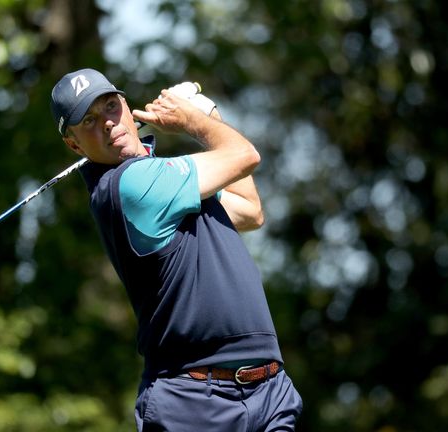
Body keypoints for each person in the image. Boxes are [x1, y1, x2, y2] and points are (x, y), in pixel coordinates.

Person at [50, 68, 302, 431]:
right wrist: (194, 121)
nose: (106, 122)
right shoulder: (130, 185)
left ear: (127, 107)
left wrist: (209, 115)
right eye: (88, 120)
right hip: (194, 403)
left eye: (110, 106)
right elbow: (244, 154)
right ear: (74, 145)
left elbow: (249, 210)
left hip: (269, 392)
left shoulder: (163, 178)